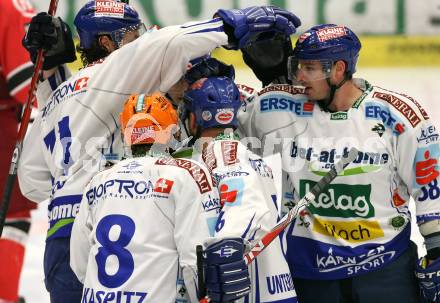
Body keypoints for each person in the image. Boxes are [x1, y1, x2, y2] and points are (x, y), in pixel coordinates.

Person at [17, 2, 301, 302]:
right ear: (106, 43)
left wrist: (50, 74)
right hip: (116, 222)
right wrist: (228, 25)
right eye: (132, 34)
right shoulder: (114, 73)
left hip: (60, 242)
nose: (138, 40)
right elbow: (166, 45)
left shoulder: (55, 101)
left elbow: (32, 184)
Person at [237, 23, 440, 303]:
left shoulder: (397, 115)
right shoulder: (280, 106)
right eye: (297, 65)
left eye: (310, 68)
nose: (299, 76)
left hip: (385, 269)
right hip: (308, 271)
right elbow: (216, 122)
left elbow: (430, 185)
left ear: (339, 69)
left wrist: (437, 247)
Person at [70, 93, 251, 303]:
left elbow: (79, 263)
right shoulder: (187, 174)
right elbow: (196, 261)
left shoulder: (97, 181)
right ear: (171, 131)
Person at [181, 76, 297, 302]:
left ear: (194, 118)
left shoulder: (220, 151)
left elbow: (246, 204)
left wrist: (222, 254)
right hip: (274, 285)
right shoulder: (248, 155)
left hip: (248, 292)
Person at [0, 1, 37, 302]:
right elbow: (23, 81)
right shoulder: (11, 6)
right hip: (2, 123)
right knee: (14, 214)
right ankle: (5, 294)